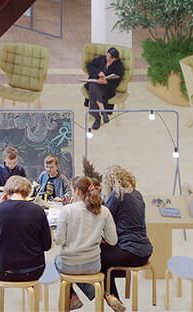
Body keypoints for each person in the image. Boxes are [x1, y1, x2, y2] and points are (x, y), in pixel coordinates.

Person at [54, 176, 116, 310]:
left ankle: (73, 297)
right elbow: (113, 240)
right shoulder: (104, 211)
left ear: (77, 191)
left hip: (69, 265)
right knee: (80, 269)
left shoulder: (67, 210)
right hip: (93, 265)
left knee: (57, 260)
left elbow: (59, 240)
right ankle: (105, 294)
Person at [0, 175, 51, 285]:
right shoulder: (38, 211)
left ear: (7, 191)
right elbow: (47, 245)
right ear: (28, 191)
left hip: (1, 270)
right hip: (33, 270)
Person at [99, 166, 151, 312]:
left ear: (109, 182)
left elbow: (104, 218)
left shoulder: (117, 194)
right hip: (145, 251)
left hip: (129, 252)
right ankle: (113, 296)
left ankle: (111, 297)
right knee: (107, 259)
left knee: (96, 256)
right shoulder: (137, 194)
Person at [85, 47, 124, 130]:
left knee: (93, 90)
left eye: (110, 58)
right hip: (96, 82)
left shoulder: (118, 66)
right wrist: (98, 73)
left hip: (107, 88)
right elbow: (89, 66)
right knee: (93, 84)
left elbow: (117, 81)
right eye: (107, 56)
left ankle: (97, 119)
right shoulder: (102, 59)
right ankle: (102, 110)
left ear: (115, 59)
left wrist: (106, 82)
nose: (108, 58)